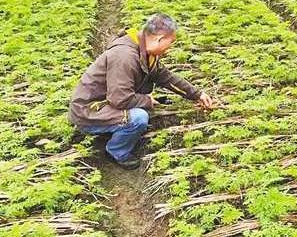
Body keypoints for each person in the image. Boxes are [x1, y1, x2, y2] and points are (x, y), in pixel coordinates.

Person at [68, 13, 213, 169]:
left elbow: (166, 77)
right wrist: (147, 101)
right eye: (170, 44)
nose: (169, 50)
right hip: (88, 112)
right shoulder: (125, 57)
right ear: (159, 39)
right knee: (139, 117)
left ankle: (114, 129)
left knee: (141, 107)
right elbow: (120, 100)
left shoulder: (144, 51)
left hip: (105, 104)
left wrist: (197, 94)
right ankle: (117, 151)